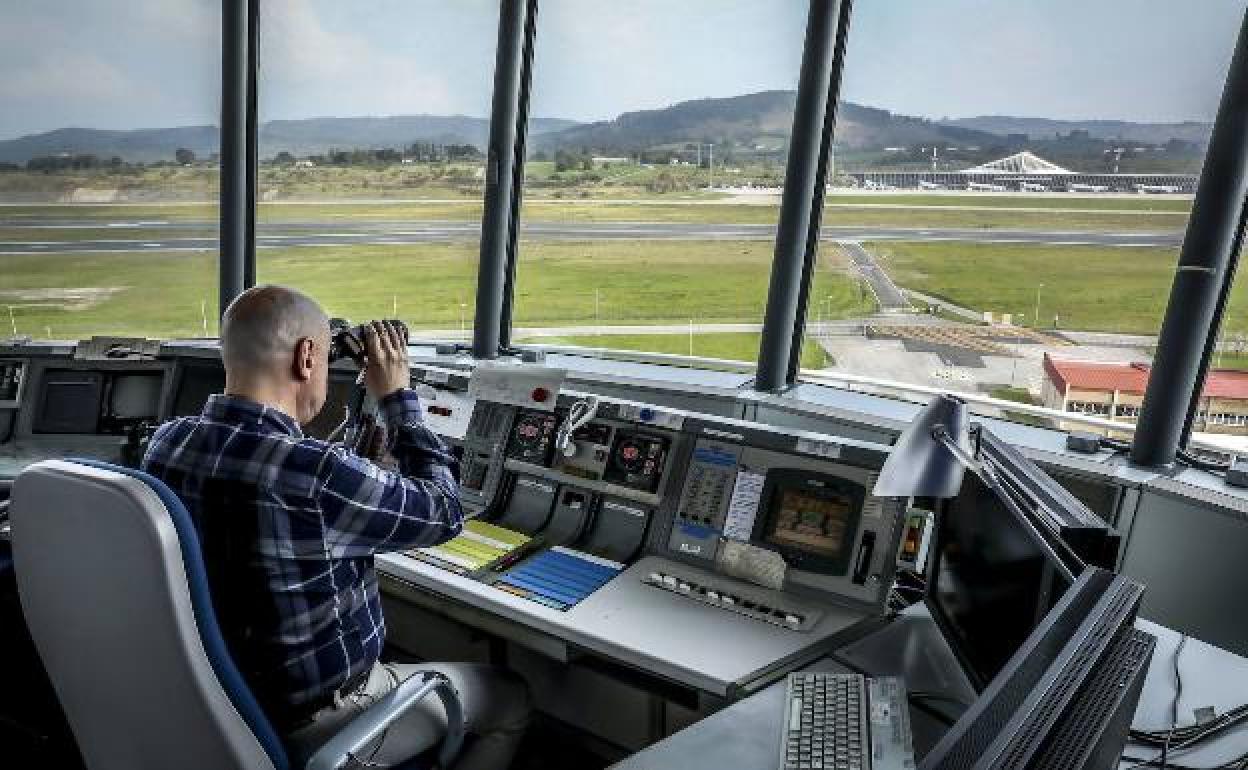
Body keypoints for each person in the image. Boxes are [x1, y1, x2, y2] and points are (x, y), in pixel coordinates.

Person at [142, 285, 530, 769]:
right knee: (508, 697)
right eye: (326, 359)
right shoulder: (318, 473)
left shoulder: (167, 443)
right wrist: (398, 400)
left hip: (217, 698)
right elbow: (446, 510)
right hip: (321, 721)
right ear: (307, 357)